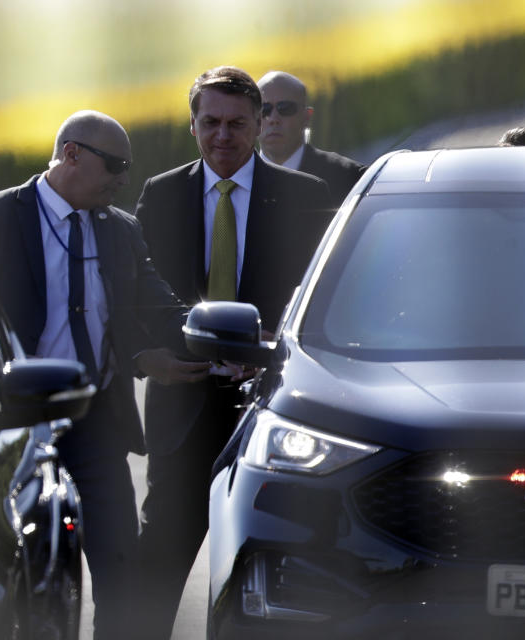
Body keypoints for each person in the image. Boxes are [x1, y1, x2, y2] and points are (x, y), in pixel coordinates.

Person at [0, 110, 209, 640]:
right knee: (15, 578)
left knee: (123, 572)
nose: (122, 179)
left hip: (95, 425)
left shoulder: (120, 230)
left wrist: (213, 337)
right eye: (114, 165)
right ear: (71, 154)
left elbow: (154, 307)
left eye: (128, 168)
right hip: (12, 430)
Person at [133, 66, 332, 639]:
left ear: (260, 123)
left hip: (270, 414)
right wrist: (149, 358)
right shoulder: (161, 195)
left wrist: (271, 358)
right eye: (211, 122)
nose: (224, 135)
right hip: (182, 407)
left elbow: (315, 302)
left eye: (237, 123)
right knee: (155, 573)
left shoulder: (304, 197)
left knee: (274, 567)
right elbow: (135, 296)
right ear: (192, 124)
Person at [257, 70, 366, 208]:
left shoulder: (350, 178)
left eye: (285, 108)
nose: (273, 119)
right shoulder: (233, 181)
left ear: (306, 117)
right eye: (264, 110)